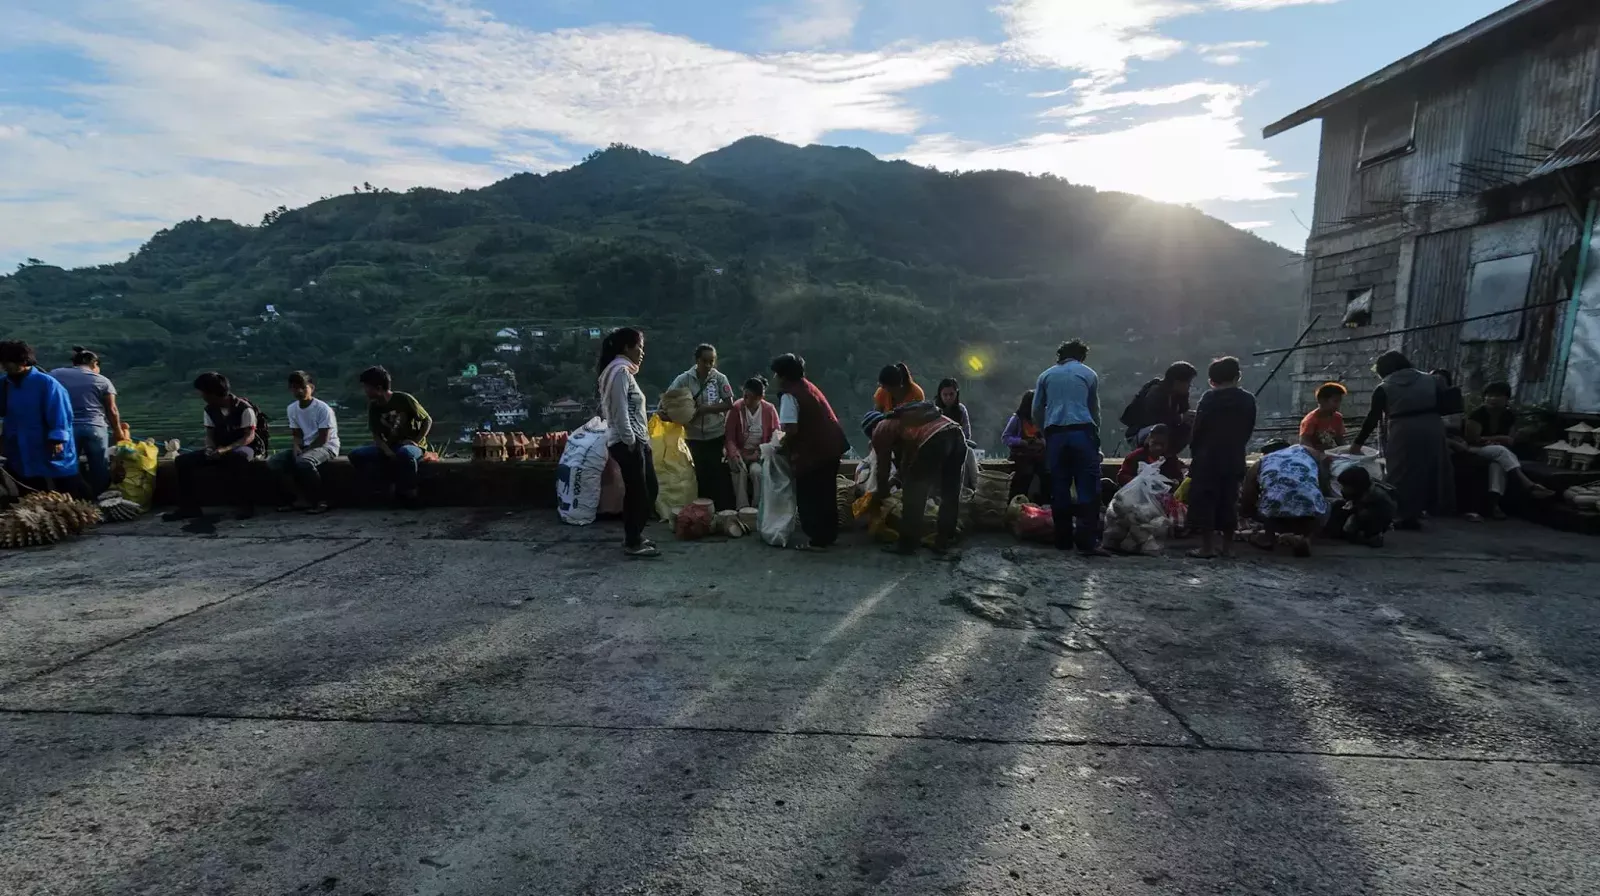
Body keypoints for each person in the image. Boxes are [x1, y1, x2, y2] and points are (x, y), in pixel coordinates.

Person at [1351, 351, 1446, 530]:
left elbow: (1373, 418)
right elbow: (1444, 405)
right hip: (1433, 427)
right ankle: (1417, 513)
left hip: (1403, 429)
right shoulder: (1433, 380)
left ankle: (1399, 514)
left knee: (1399, 473)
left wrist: (1357, 443)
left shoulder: (1384, 387)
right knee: (1426, 471)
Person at [1032, 339, 1108, 556]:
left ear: (1060, 355)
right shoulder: (1088, 373)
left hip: (1055, 434)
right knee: (1087, 487)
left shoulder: (1046, 375)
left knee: (1059, 487)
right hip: (1082, 432)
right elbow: (1094, 410)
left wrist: (1044, 431)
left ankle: (1063, 540)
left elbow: (1037, 409)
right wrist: (1095, 435)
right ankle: (1086, 542)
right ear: (1081, 356)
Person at [863, 405, 964, 558]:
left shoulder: (880, 429)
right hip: (956, 435)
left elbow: (883, 466)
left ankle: (907, 544)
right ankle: (944, 541)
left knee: (913, 495)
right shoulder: (905, 424)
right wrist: (896, 480)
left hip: (936, 438)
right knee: (949, 493)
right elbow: (907, 462)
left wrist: (881, 492)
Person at [772, 353, 849, 551]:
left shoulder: (790, 395)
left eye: (776, 374)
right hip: (832, 446)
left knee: (809, 495)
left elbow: (791, 428)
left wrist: (782, 446)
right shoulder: (808, 387)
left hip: (814, 452)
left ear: (783, 376)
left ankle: (816, 539)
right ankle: (828, 535)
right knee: (826, 493)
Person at [163, 372, 262, 521]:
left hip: (243, 447)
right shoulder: (209, 410)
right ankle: (189, 507)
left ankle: (246, 506)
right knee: (182, 461)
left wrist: (226, 449)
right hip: (219, 448)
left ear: (213, 393)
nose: (202, 396)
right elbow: (209, 434)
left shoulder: (244, 408)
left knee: (239, 458)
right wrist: (210, 448)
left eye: (203, 392)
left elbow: (248, 437)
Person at [1186, 357, 1257, 559]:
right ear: (1237, 376)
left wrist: (1195, 451)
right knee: (1229, 501)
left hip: (1207, 458)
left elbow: (1198, 430)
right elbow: (1248, 429)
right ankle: (1228, 547)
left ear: (1212, 380)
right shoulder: (1247, 400)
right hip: (1233, 456)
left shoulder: (1209, 399)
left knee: (1206, 501)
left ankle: (1207, 548)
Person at [0, 340, 89, 499]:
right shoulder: (4, 384)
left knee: (64, 481)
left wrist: (58, 438)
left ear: (23, 361)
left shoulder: (46, 383)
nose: (4, 366)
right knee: (29, 481)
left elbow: (60, 411)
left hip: (47, 441)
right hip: (19, 442)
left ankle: (85, 509)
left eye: (7, 362)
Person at [599, 328, 659, 558]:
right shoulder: (620, 372)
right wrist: (631, 440)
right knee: (639, 493)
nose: (642, 352)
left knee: (647, 489)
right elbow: (619, 411)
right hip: (627, 442)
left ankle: (635, 535)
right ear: (626, 347)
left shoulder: (617, 371)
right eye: (639, 347)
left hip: (635, 440)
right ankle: (632, 542)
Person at [1459, 381, 1554, 519]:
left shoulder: (1508, 415)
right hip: (1475, 449)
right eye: (1489, 395)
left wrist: (1499, 440)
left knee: (1497, 464)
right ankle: (1528, 484)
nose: (1492, 399)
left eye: (1497, 396)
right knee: (1501, 451)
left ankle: (1494, 504)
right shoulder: (1477, 414)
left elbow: (1511, 439)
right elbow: (1472, 439)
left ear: (1506, 399)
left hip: (1498, 450)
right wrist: (1498, 438)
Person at [348, 366, 431, 509]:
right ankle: (383, 486)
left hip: (411, 446)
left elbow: (427, 420)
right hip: (390, 445)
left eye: (367, 387)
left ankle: (410, 493)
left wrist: (416, 441)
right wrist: (387, 451)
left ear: (379, 388)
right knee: (356, 455)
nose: (365, 391)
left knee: (405, 454)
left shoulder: (404, 399)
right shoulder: (374, 406)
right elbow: (376, 435)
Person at [669, 344, 736, 511]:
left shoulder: (720, 379)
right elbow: (669, 400)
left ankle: (721, 511)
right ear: (697, 360)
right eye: (704, 361)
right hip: (693, 436)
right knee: (698, 474)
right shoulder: (683, 379)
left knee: (718, 474)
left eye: (711, 361)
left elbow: (729, 403)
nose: (708, 365)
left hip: (716, 434)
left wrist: (707, 409)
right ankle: (701, 511)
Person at [47, 346, 122, 495]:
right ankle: (101, 499)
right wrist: (118, 431)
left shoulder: (56, 374)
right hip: (95, 428)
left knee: (69, 464)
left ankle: (74, 501)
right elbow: (112, 410)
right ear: (94, 364)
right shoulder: (102, 380)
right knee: (99, 466)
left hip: (67, 429)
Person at [267, 370, 339, 514]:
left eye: (302, 387)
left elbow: (323, 438)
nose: (299, 391)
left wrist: (305, 451)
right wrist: (296, 447)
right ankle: (297, 499)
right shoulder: (292, 409)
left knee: (304, 462)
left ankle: (321, 501)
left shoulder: (322, 409)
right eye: (295, 387)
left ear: (311, 387)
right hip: (306, 446)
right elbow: (297, 434)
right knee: (274, 462)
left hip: (327, 446)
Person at [1241, 441, 1328, 557]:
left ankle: (1268, 538)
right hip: (1309, 505)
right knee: (1323, 505)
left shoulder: (1260, 463)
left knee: (1271, 501)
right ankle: (1306, 538)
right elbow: (1323, 472)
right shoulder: (1304, 450)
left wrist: (1247, 513)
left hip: (1275, 508)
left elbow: (1248, 494)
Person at [724, 376, 779, 510]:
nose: (747, 400)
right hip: (739, 452)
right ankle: (742, 508)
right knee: (740, 471)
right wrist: (735, 454)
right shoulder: (736, 408)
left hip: (758, 454)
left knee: (757, 472)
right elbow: (729, 436)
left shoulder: (769, 410)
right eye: (745, 396)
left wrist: (760, 453)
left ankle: (758, 508)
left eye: (751, 398)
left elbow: (776, 437)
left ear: (760, 398)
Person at [1121, 362, 1197, 451]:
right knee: (1161, 429)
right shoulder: (1156, 393)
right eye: (1188, 382)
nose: (1189, 386)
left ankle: (1170, 456)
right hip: (1141, 433)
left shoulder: (1180, 395)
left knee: (1190, 425)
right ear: (1177, 382)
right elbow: (1155, 420)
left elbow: (1183, 413)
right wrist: (1180, 418)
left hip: (1163, 430)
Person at [1326, 465, 1396, 547]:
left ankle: (1368, 538)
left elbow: (1385, 514)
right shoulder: (1354, 492)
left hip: (1374, 518)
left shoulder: (1378, 496)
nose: (1343, 489)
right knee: (1338, 506)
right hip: (1359, 510)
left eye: (1346, 486)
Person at [1001, 390, 1049, 502]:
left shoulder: (1042, 419)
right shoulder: (1017, 419)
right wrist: (1021, 441)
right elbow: (1006, 437)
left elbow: (1047, 437)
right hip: (1021, 457)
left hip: (1040, 457)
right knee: (1024, 476)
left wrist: (1042, 441)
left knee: (1047, 476)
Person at [1116, 423, 1186, 487]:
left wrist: (1175, 482)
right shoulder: (1136, 456)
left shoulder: (1171, 459)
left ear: (1167, 444)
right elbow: (1121, 476)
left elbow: (1179, 477)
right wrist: (1140, 481)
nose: (1158, 448)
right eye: (1155, 443)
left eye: (1161, 444)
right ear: (1148, 440)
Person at [1299, 382, 1347, 451]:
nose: (1338, 405)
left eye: (1340, 401)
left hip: (1334, 454)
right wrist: (1319, 456)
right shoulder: (1311, 420)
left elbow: (1340, 439)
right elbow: (1304, 443)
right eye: (1335, 401)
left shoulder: (1337, 417)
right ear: (1321, 401)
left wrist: (1346, 451)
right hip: (1315, 456)